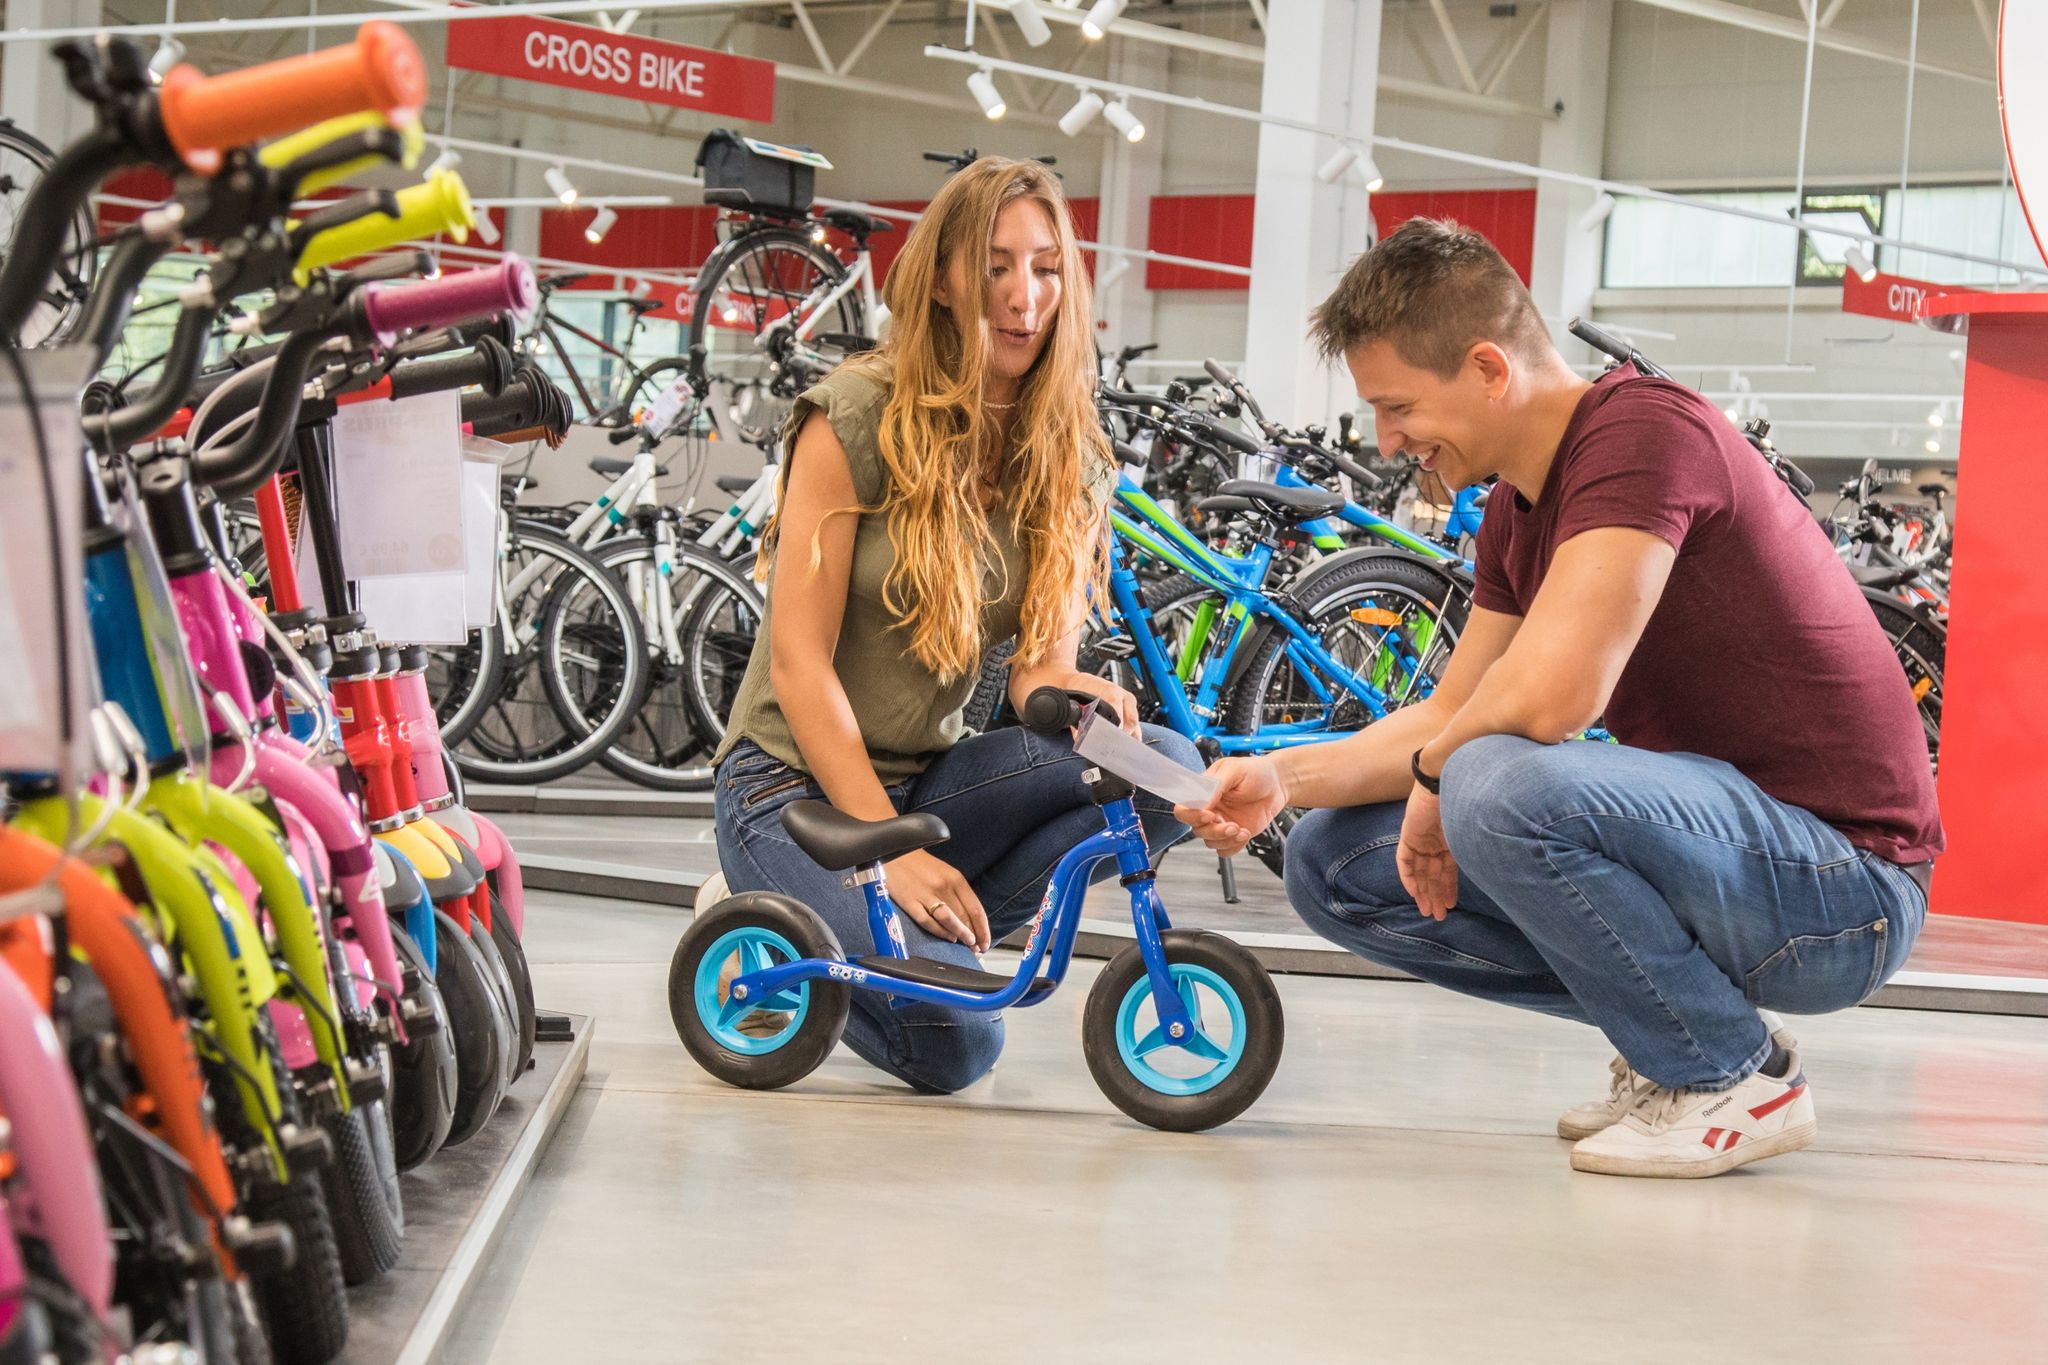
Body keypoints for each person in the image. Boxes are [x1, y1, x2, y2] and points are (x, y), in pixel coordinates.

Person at [1175, 218, 1941, 1178]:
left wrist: (1432, 786)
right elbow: (1450, 709)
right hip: (1740, 859)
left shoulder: (1644, 431)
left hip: (1848, 889)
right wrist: (1279, 778)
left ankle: (1729, 1075)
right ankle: (1682, 1040)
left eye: (1399, 406)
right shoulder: (1515, 509)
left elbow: (1550, 697)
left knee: (1495, 781)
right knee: (1332, 863)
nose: (1388, 439)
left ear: (1489, 370)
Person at [712, 156, 1200, 1095]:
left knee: (1164, 771)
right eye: (996, 267)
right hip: (792, 791)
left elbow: (1031, 677)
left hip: (930, 784)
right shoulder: (852, 417)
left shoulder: (1067, 449)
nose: (1024, 298)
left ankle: (913, 930)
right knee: (957, 1048)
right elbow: (798, 660)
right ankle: (783, 914)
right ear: (942, 277)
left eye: (1047, 269)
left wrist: (1072, 691)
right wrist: (888, 850)